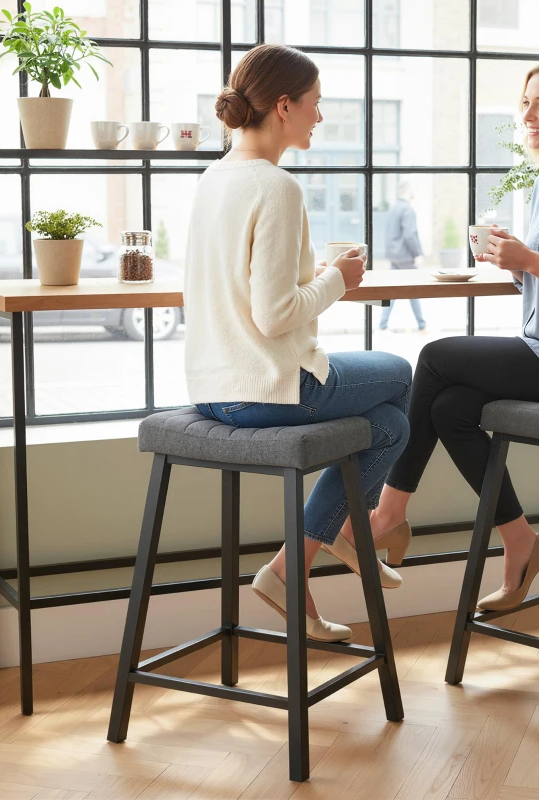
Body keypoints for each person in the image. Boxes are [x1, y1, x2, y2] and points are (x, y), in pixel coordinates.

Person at [370, 55, 539, 612]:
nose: (529, 115)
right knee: (450, 408)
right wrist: (516, 264)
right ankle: (521, 541)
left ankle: (388, 514)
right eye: (526, 103)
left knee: (436, 356)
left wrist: (532, 261)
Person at [184, 44, 414, 643]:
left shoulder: (215, 178)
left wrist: (318, 270)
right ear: (283, 106)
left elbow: (251, 289)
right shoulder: (276, 186)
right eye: (315, 105)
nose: (319, 117)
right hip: (268, 386)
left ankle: (299, 562)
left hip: (215, 389)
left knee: (391, 426)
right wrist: (340, 280)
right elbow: (274, 314)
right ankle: (333, 534)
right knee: (399, 372)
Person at [379, 182, 426, 331]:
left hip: (394, 255)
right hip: (406, 256)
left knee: (392, 291)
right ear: (406, 191)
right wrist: (417, 254)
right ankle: (422, 326)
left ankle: (383, 325)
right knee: (413, 290)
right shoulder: (407, 209)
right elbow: (410, 234)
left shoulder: (393, 209)